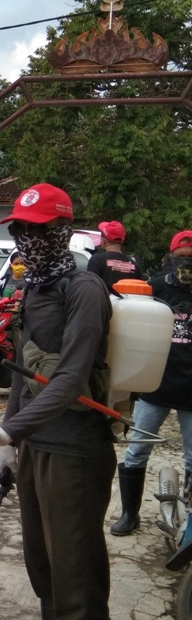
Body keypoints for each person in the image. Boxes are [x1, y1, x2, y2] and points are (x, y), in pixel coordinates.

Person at [0, 183, 114, 619]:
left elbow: (70, 378)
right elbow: (25, 374)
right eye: (20, 230)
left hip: (74, 450)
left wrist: (9, 430)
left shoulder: (83, 289)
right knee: (41, 567)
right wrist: (10, 446)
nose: (28, 240)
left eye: (39, 230)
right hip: (35, 447)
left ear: (63, 232)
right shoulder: (34, 289)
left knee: (75, 576)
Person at [111, 229, 192, 536]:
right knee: (136, 451)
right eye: (181, 257)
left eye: (191, 258)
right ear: (170, 257)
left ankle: (189, 523)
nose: (186, 263)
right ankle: (129, 514)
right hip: (154, 385)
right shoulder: (154, 288)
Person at [88, 220, 144, 288]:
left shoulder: (96, 260)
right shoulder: (135, 265)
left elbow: (90, 288)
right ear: (122, 241)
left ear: (103, 241)